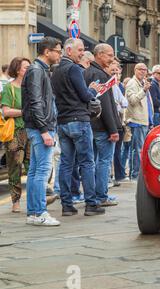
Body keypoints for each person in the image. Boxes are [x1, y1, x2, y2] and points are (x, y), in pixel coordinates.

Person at [51, 38, 104, 217]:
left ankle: (67, 205)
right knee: (87, 163)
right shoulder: (73, 68)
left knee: (66, 163)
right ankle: (91, 204)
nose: (82, 53)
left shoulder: (56, 70)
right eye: (79, 50)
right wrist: (94, 90)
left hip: (63, 121)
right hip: (78, 120)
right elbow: (84, 95)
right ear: (68, 50)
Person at [21, 36, 62, 226]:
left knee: (35, 170)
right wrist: (45, 130)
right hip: (40, 128)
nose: (59, 55)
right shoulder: (37, 70)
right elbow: (36, 102)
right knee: (41, 171)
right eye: (58, 51)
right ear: (47, 52)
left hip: (37, 126)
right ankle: (39, 212)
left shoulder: (38, 70)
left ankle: (33, 213)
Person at [84, 44, 121, 207]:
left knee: (91, 162)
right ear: (99, 55)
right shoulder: (99, 74)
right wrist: (113, 129)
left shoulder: (86, 72)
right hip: (102, 127)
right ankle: (101, 196)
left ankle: (92, 196)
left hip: (90, 124)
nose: (112, 59)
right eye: (109, 55)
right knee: (103, 162)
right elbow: (105, 104)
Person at [1, 57, 31, 213]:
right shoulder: (9, 88)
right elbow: (6, 111)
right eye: (26, 67)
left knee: (32, 165)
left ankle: (35, 198)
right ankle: (16, 201)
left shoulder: (30, 87)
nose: (29, 70)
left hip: (30, 131)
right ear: (18, 70)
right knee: (15, 167)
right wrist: (24, 112)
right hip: (15, 133)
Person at [125, 63, 152, 180]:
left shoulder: (142, 83)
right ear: (135, 70)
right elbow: (132, 100)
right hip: (136, 121)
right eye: (140, 69)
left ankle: (137, 173)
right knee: (137, 150)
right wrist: (144, 90)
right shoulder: (132, 83)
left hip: (143, 121)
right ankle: (135, 175)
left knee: (140, 149)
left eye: (145, 70)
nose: (143, 72)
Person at [108, 58, 128, 185]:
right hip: (110, 121)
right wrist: (118, 104)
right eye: (113, 71)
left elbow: (124, 102)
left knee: (115, 151)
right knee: (109, 153)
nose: (115, 74)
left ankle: (113, 175)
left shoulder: (117, 85)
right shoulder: (110, 84)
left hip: (118, 120)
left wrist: (118, 105)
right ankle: (109, 177)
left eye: (117, 71)